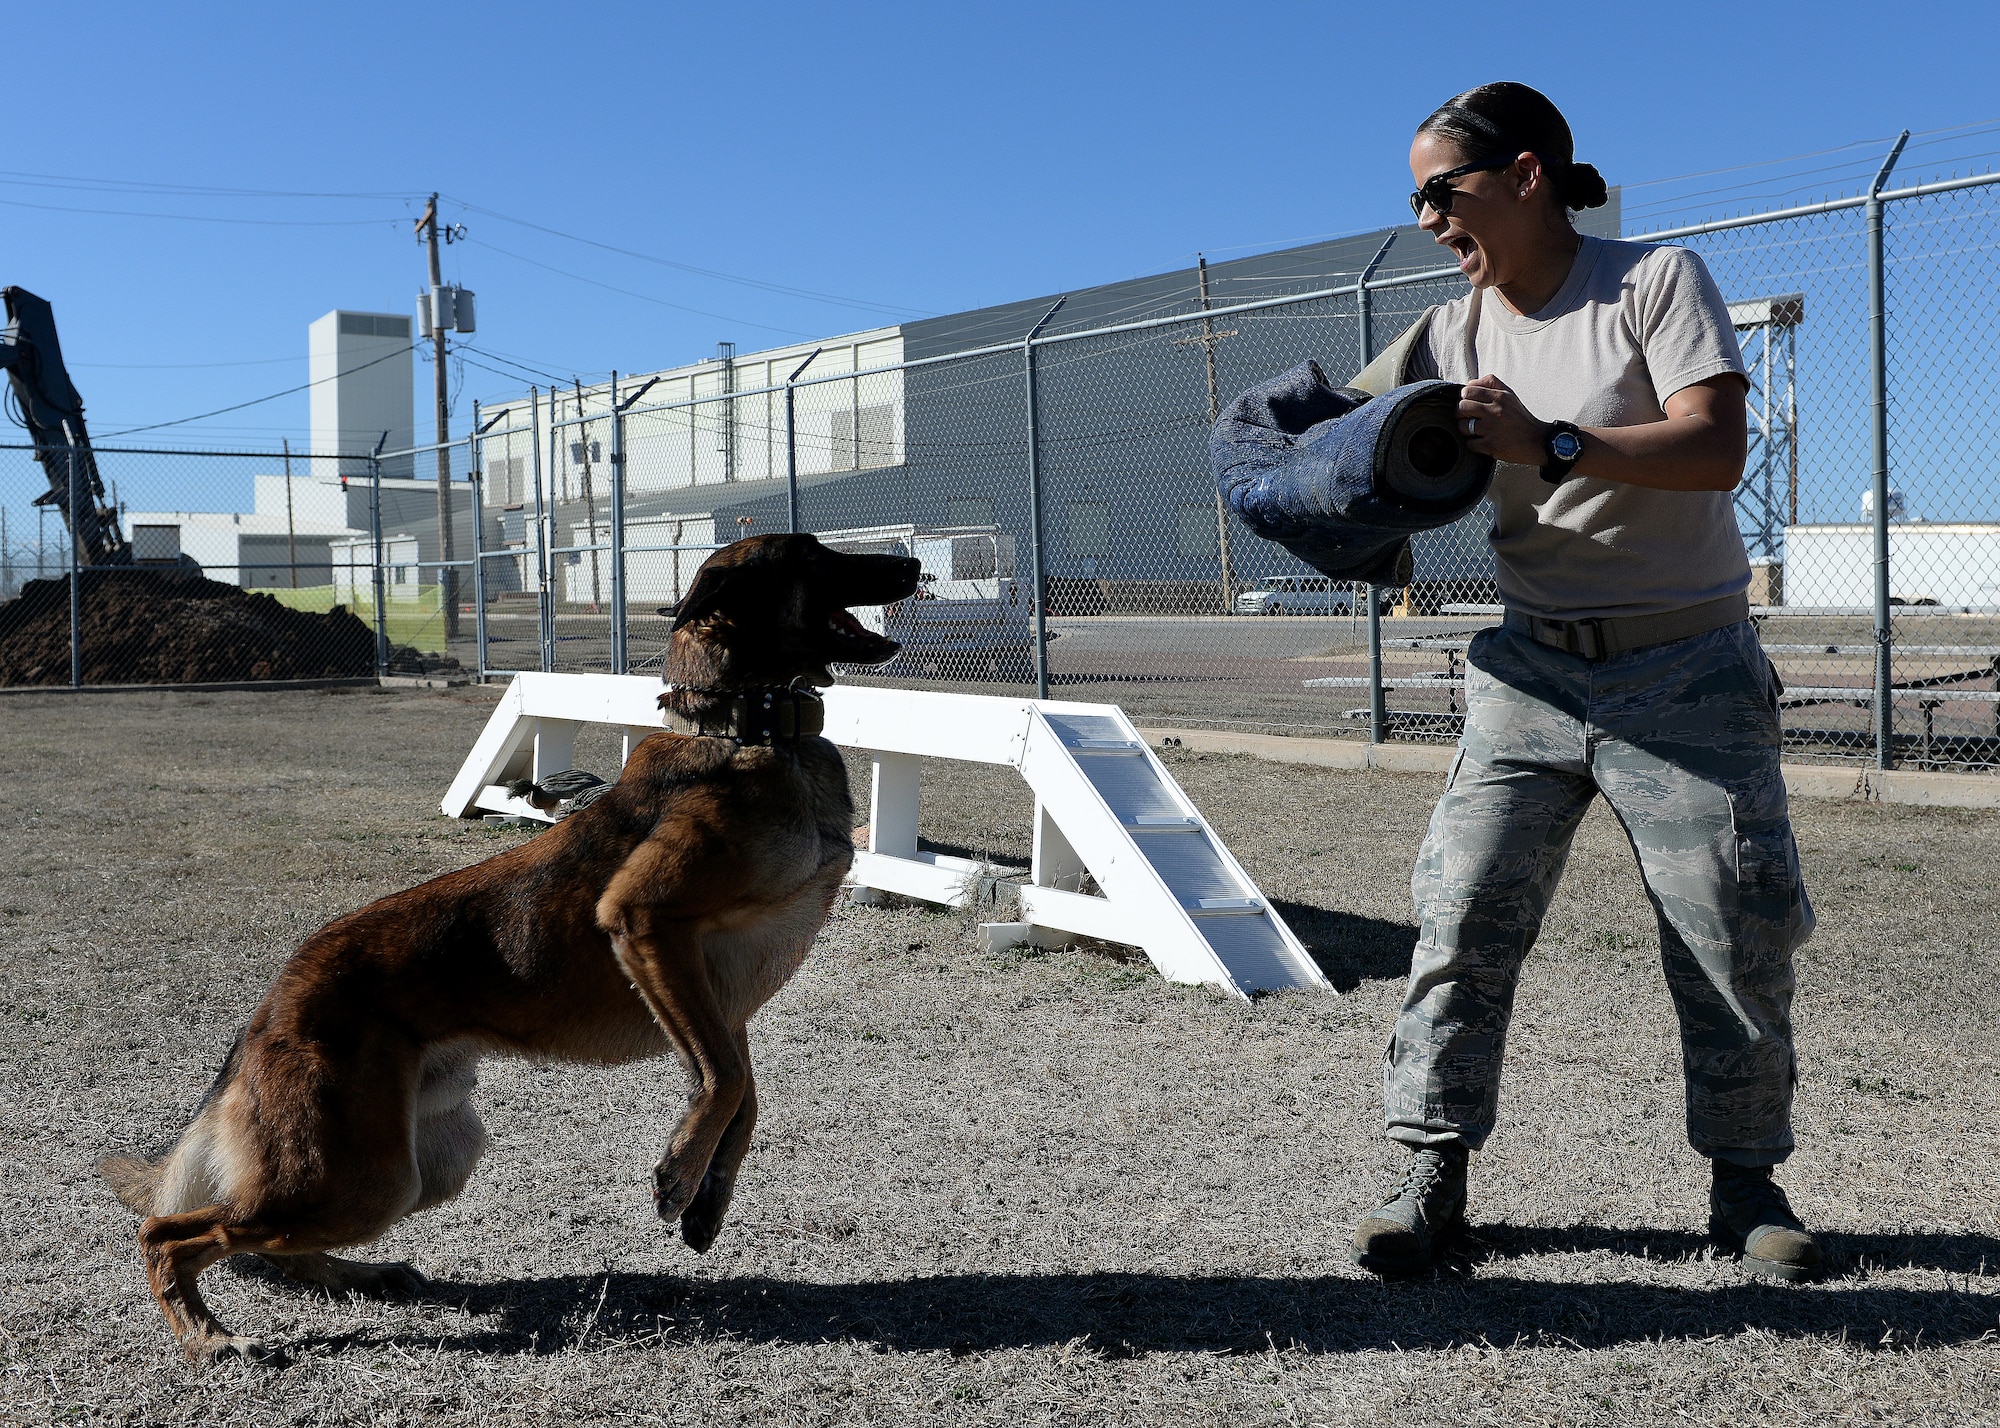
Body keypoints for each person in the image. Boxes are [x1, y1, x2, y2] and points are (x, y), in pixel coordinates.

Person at [1347, 83, 1820, 1282]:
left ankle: (1744, 1184)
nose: (1424, 219)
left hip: (1686, 666)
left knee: (1730, 930)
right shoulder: (1448, 326)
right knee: (1460, 918)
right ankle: (1429, 1174)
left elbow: (1714, 450)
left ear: (1522, 175)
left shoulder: (1651, 280)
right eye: (1412, 199)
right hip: (1529, 670)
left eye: (1438, 192)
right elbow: (1346, 440)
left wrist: (1549, 441)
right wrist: (1313, 473)